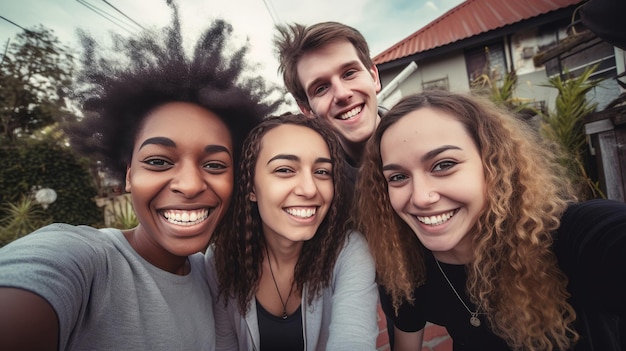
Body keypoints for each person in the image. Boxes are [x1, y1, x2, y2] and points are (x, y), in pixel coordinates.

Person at [0, 11, 278, 351]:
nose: (190, 185)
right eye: (158, 161)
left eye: (215, 164)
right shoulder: (83, 260)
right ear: (129, 175)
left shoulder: (211, 276)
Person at [355, 90, 626, 351]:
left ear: (493, 165)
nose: (421, 197)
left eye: (444, 165)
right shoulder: (406, 267)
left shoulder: (569, 237)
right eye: (398, 177)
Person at [206, 114, 378, 350]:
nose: (309, 189)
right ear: (251, 187)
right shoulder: (222, 259)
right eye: (285, 170)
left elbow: (354, 340)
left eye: (322, 172)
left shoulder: (348, 252)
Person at [274, 21, 385, 181]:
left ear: (374, 77)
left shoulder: (431, 139)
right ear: (306, 109)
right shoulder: (315, 189)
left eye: (349, 73)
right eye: (321, 88)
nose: (342, 94)